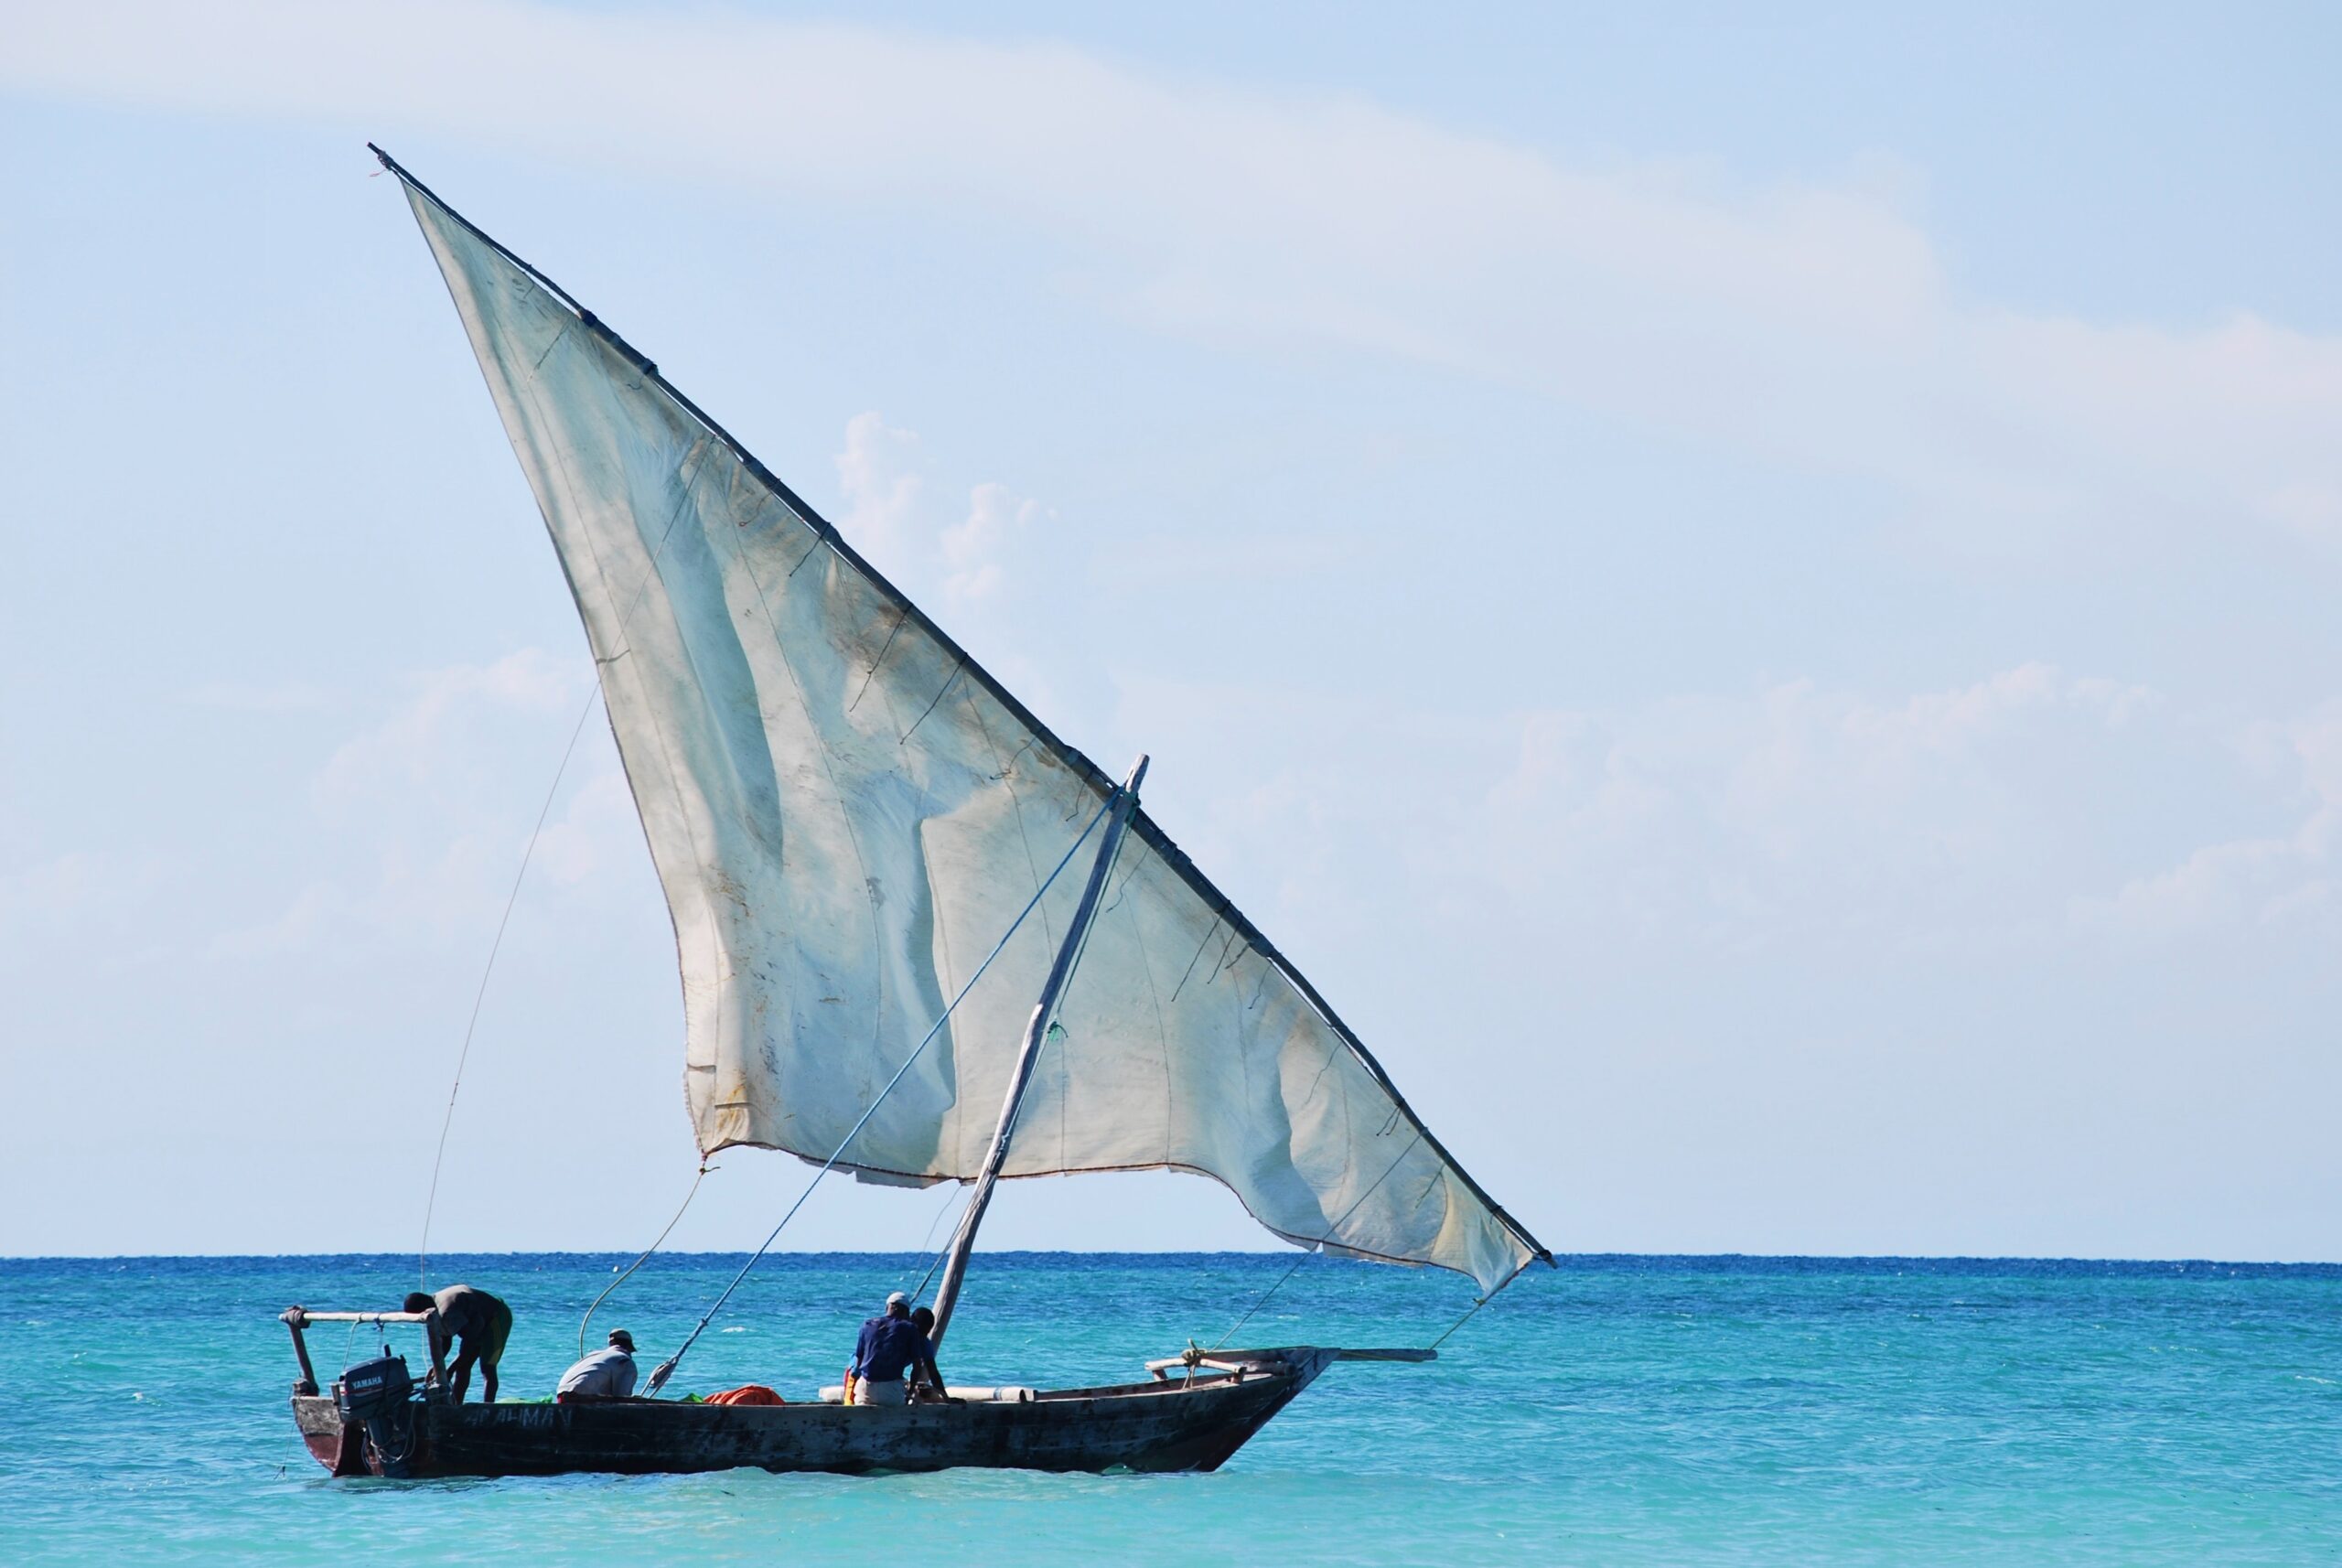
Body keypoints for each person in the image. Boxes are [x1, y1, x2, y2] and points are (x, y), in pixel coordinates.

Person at [402, 1283, 511, 1403]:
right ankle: (457, 1406)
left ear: (423, 1308)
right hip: (475, 1322)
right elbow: (446, 1342)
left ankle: (488, 1408)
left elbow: (470, 1342)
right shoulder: (435, 1308)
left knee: (487, 1368)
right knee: (463, 1367)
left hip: (495, 1317)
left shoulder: (447, 1312)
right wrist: (436, 1367)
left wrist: (450, 1370)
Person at [849, 1292, 946, 1406]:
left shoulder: (867, 1324)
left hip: (864, 1385)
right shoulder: (910, 1329)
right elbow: (919, 1367)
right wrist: (910, 1391)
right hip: (889, 1391)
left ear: (887, 1308)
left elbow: (859, 1363)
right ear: (906, 1313)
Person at [557, 1329, 639, 1401]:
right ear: (629, 1346)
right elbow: (622, 1396)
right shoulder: (625, 1361)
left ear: (610, 1344)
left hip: (561, 1394)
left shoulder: (592, 1355)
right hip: (581, 1398)